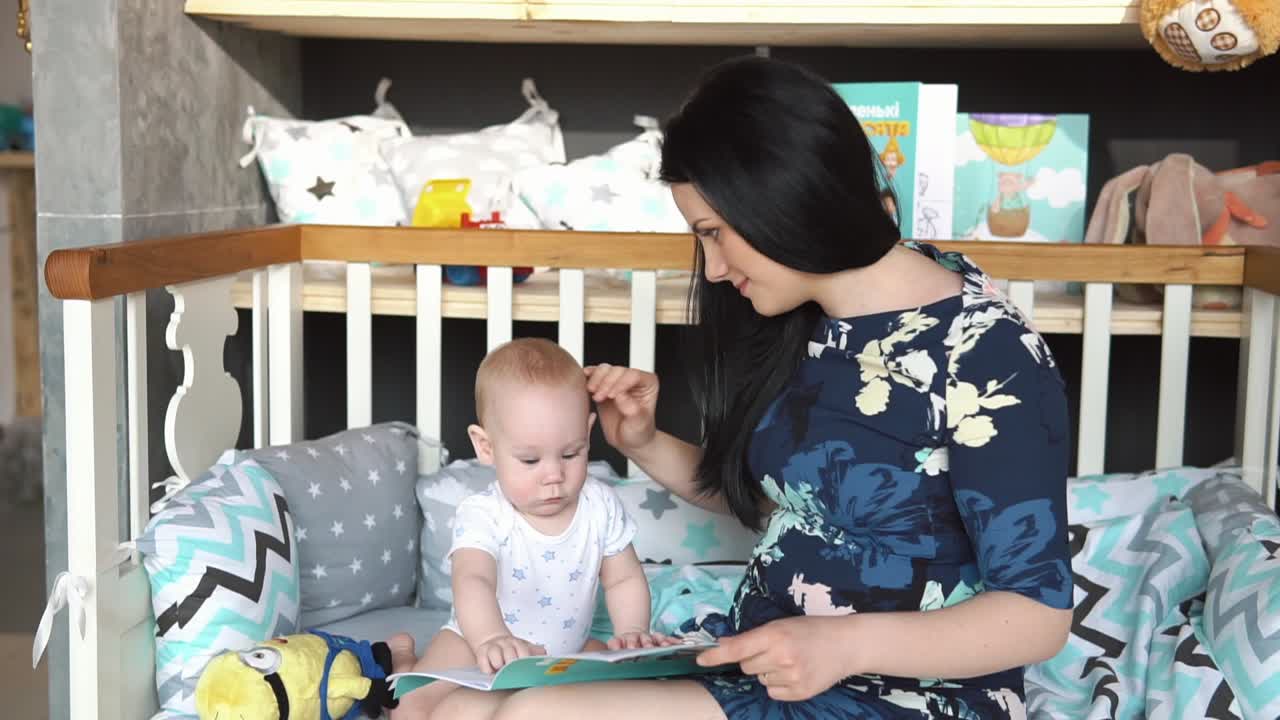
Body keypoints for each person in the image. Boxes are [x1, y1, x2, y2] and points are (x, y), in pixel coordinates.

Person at [416, 55, 1075, 720]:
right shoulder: (806, 324)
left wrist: (839, 645)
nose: (717, 267)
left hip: (902, 696)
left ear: (781, 198)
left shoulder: (986, 352)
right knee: (462, 711)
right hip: (765, 665)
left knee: (527, 717)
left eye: (714, 234)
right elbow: (779, 502)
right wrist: (640, 442)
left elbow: (1036, 615)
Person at [387, 338, 665, 720]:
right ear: (486, 447)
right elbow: (473, 581)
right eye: (530, 459)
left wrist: (633, 630)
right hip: (475, 641)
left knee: (624, 685)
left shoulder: (599, 504)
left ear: (587, 432)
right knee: (410, 711)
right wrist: (491, 638)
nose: (554, 474)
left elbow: (623, 579)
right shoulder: (484, 513)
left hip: (563, 648)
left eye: (571, 453)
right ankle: (404, 662)